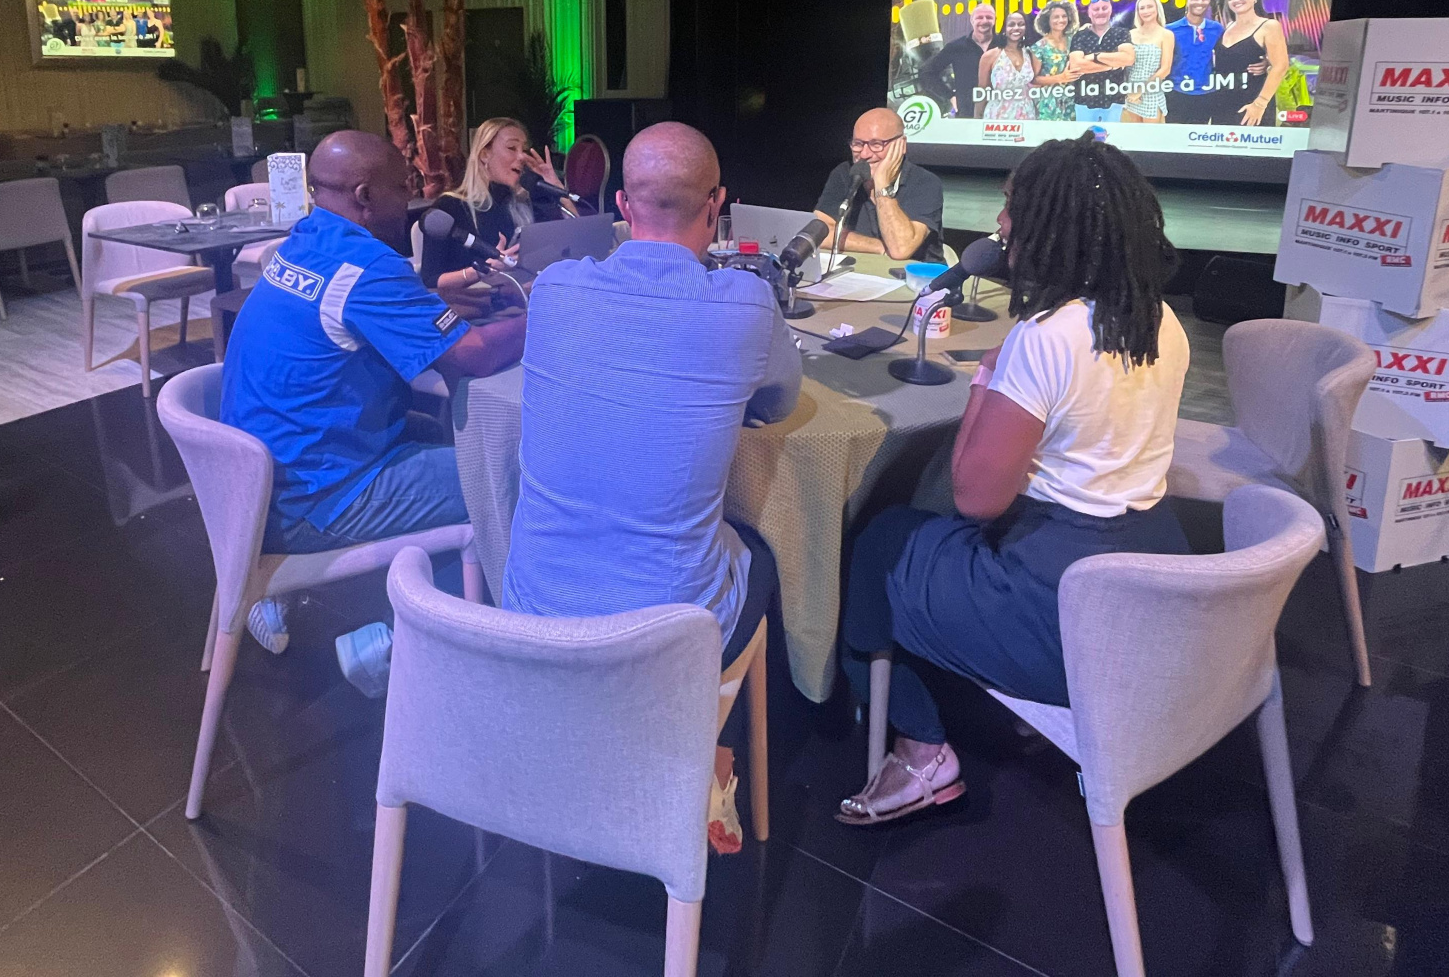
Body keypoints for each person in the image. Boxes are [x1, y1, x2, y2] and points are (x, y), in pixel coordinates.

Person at [835, 133, 1191, 826]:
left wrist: (988, 379)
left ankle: (921, 753)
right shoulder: (1159, 319)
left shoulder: (1047, 335)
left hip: (1064, 609)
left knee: (879, 543)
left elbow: (975, 497)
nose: (1000, 224)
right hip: (1153, 590)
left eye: (1012, 209)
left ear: (1052, 227)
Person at [502, 121, 802, 853]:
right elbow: (778, 403)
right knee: (764, 545)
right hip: (663, 642)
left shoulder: (555, 288)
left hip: (532, 621)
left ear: (622, 207)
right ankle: (702, 749)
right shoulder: (745, 303)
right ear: (717, 207)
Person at [220, 130, 525, 654]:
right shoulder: (368, 268)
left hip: (259, 486)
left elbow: (353, 305)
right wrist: (553, 310)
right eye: (402, 186)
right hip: (316, 498)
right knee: (501, 474)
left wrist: (425, 303)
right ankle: (392, 650)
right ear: (365, 195)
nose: (412, 197)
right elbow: (474, 354)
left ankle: (428, 604)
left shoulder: (307, 238)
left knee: (443, 435)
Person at [417, 117, 569, 286]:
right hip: (475, 299)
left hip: (522, 296)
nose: (522, 156)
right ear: (484, 154)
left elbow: (574, 244)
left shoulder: (526, 204)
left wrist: (556, 187)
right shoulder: (449, 207)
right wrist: (482, 270)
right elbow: (430, 280)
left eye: (524, 150)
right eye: (512, 148)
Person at [813, 107, 944, 261]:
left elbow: (900, 249)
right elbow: (817, 233)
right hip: (862, 270)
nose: (864, 154)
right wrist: (878, 247)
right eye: (858, 144)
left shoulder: (925, 182)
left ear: (901, 144)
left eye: (876, 144)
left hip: (915, 274)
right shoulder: (844, 173)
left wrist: (881, 184)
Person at [1210, 0, 1290, 127]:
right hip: (1222, 101)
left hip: (1252, 102)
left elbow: (1280, 66)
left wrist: (1260, 104)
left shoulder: (1269, 26)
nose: (1236, 0)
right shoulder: (1228, 26)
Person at [918, 0, 997, 118]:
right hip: (968, 116)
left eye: (989, 17)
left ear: (995, 20)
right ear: (972, 20)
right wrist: (949, 96)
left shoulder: (1006, 45)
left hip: (1002, 116)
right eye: (979, 17)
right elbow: (927, 72)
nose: (984, 21)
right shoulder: (956, 47)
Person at [1068, 0, 1134, 124]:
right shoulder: (1079, 36)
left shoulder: (1122, 33)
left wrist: (1095, 56)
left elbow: (1128, 58)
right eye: (1096, 9)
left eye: (1104, 8)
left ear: (1110, 10)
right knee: (1085, 137)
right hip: (1084, 101)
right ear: (1089, 13)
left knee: (1112, 136)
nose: (1100, 12)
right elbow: (1076, 65)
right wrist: (1112, 64)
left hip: (1114, 100)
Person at [1165, 0, 1223, 124]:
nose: (1200, 2)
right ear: (1187, 1)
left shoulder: (1217, 29)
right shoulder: (1170, 30)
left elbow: (1231, 52)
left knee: (1199, 134)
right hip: (1176, 92)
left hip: (1206, 93)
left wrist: (1264, 60)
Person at [1119, 0, 1174, 123]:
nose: (1146, 11)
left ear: (1157, 9)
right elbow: (1123, 64)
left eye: (1149, 7)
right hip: (1131, 91)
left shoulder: (1166, 34)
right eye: (1142, 8)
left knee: (1151, 134)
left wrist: (1141, 90)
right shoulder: (1130, 34)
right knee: (1135, 133)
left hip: (1152, 91)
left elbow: (1165, 69)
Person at [976, 10, 1037, 121]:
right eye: (1011, 24)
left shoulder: (1030, 54)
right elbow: (982, 92)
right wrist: (977, 121)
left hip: (1027, 116)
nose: (1016, 28)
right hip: (998, 116)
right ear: (1004, 28)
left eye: (1021, 24)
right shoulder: (990, 56)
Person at [1027, 3, 1079, 121]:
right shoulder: (1039, 46)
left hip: (1072, 101)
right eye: (1056, 17)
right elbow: (1033, 79)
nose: (1061, 20)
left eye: (1064, 16)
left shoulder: (1074, 40)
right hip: (1049, 104)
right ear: (1047, 20)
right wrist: (1061, 78)